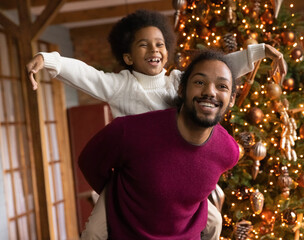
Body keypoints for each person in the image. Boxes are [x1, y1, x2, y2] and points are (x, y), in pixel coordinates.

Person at [26, 10, 286, 240]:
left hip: (181, 172)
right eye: (144, 45)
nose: (154, 50)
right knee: (94, 231)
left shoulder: (177, 82)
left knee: (215, 222)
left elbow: (221, 70)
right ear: (128, 57)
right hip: (133, 177)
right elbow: (85, 75)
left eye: (159, 44)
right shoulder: (118, 85)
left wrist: (259, 51)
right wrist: (48, 60)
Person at [78, 50, 240, 239]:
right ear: (181, 89)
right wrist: (120, 198)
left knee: (215, 223)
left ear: (232, 99)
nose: (210, 92)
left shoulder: (229, 152)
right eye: (199, 82)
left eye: (222, 86)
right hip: (127, 232)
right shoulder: (129, 131)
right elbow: (90, 162)